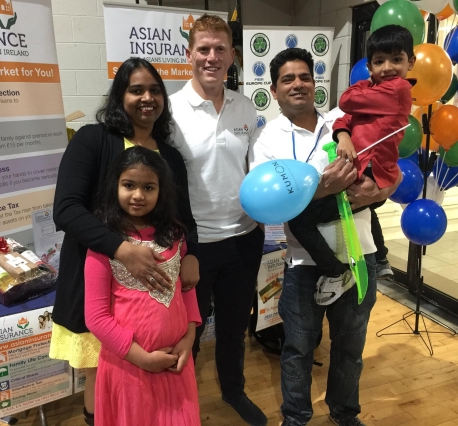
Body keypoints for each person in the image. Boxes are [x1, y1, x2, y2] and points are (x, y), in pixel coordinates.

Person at [249, 47, 402, 426]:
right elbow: (271, 204)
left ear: (314, 83)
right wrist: (323, 188)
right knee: (298, 348)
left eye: (304, 76)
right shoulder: (267, 140)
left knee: (350, 347)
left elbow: (390, 166)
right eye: (288, 79)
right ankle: (296, 417)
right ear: (274, 90)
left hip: (359, 256)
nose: (298, 84)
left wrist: (381, 190)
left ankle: (344, 414)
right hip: (303, 262)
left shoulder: (342, 120)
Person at [50, 57, 199, 426]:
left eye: (155, 90)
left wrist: (191, 254)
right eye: (136, 90)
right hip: (100, 279)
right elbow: (66, 209)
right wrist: (121, 250)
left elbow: (182, 217)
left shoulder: (171, 155)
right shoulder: (93, 140)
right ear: (120, 96)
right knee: (104, 378)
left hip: (159, 297)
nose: (147, 97)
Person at [169, 14, 267, 426]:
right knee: (186, 333)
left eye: (220, 49)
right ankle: (180, 405)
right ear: (189, 54)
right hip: (193, 246)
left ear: (232, 56)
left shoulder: (245, 108)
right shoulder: (170, 110)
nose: (211, 57)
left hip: (243, 238)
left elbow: (257, 168)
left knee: (233, 327)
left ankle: (233, 391)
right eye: (203, 49)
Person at [287, 25, 415, 304]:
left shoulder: (398, 90)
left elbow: (347, 100)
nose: (388, 68)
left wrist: (361, 87)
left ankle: (336, 273)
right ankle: (382, 259)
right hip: (359, 170)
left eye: (396, 59)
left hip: (369, 172)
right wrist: (344, 137)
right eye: (379, 61)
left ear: (411, 62)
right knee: (361, 207)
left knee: (300, 220)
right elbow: (344, 118)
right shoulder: (373, 93)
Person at [85, 146, 201, 426]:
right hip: (129, 366)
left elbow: (186, 290)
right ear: (115, 186)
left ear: (162, 191)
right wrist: (143, 359)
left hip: (176, 362)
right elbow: (96, 317)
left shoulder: (174, 234)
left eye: (148, 187)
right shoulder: (105, 243)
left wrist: (188, 340)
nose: (138, 195)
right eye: (129, 185)